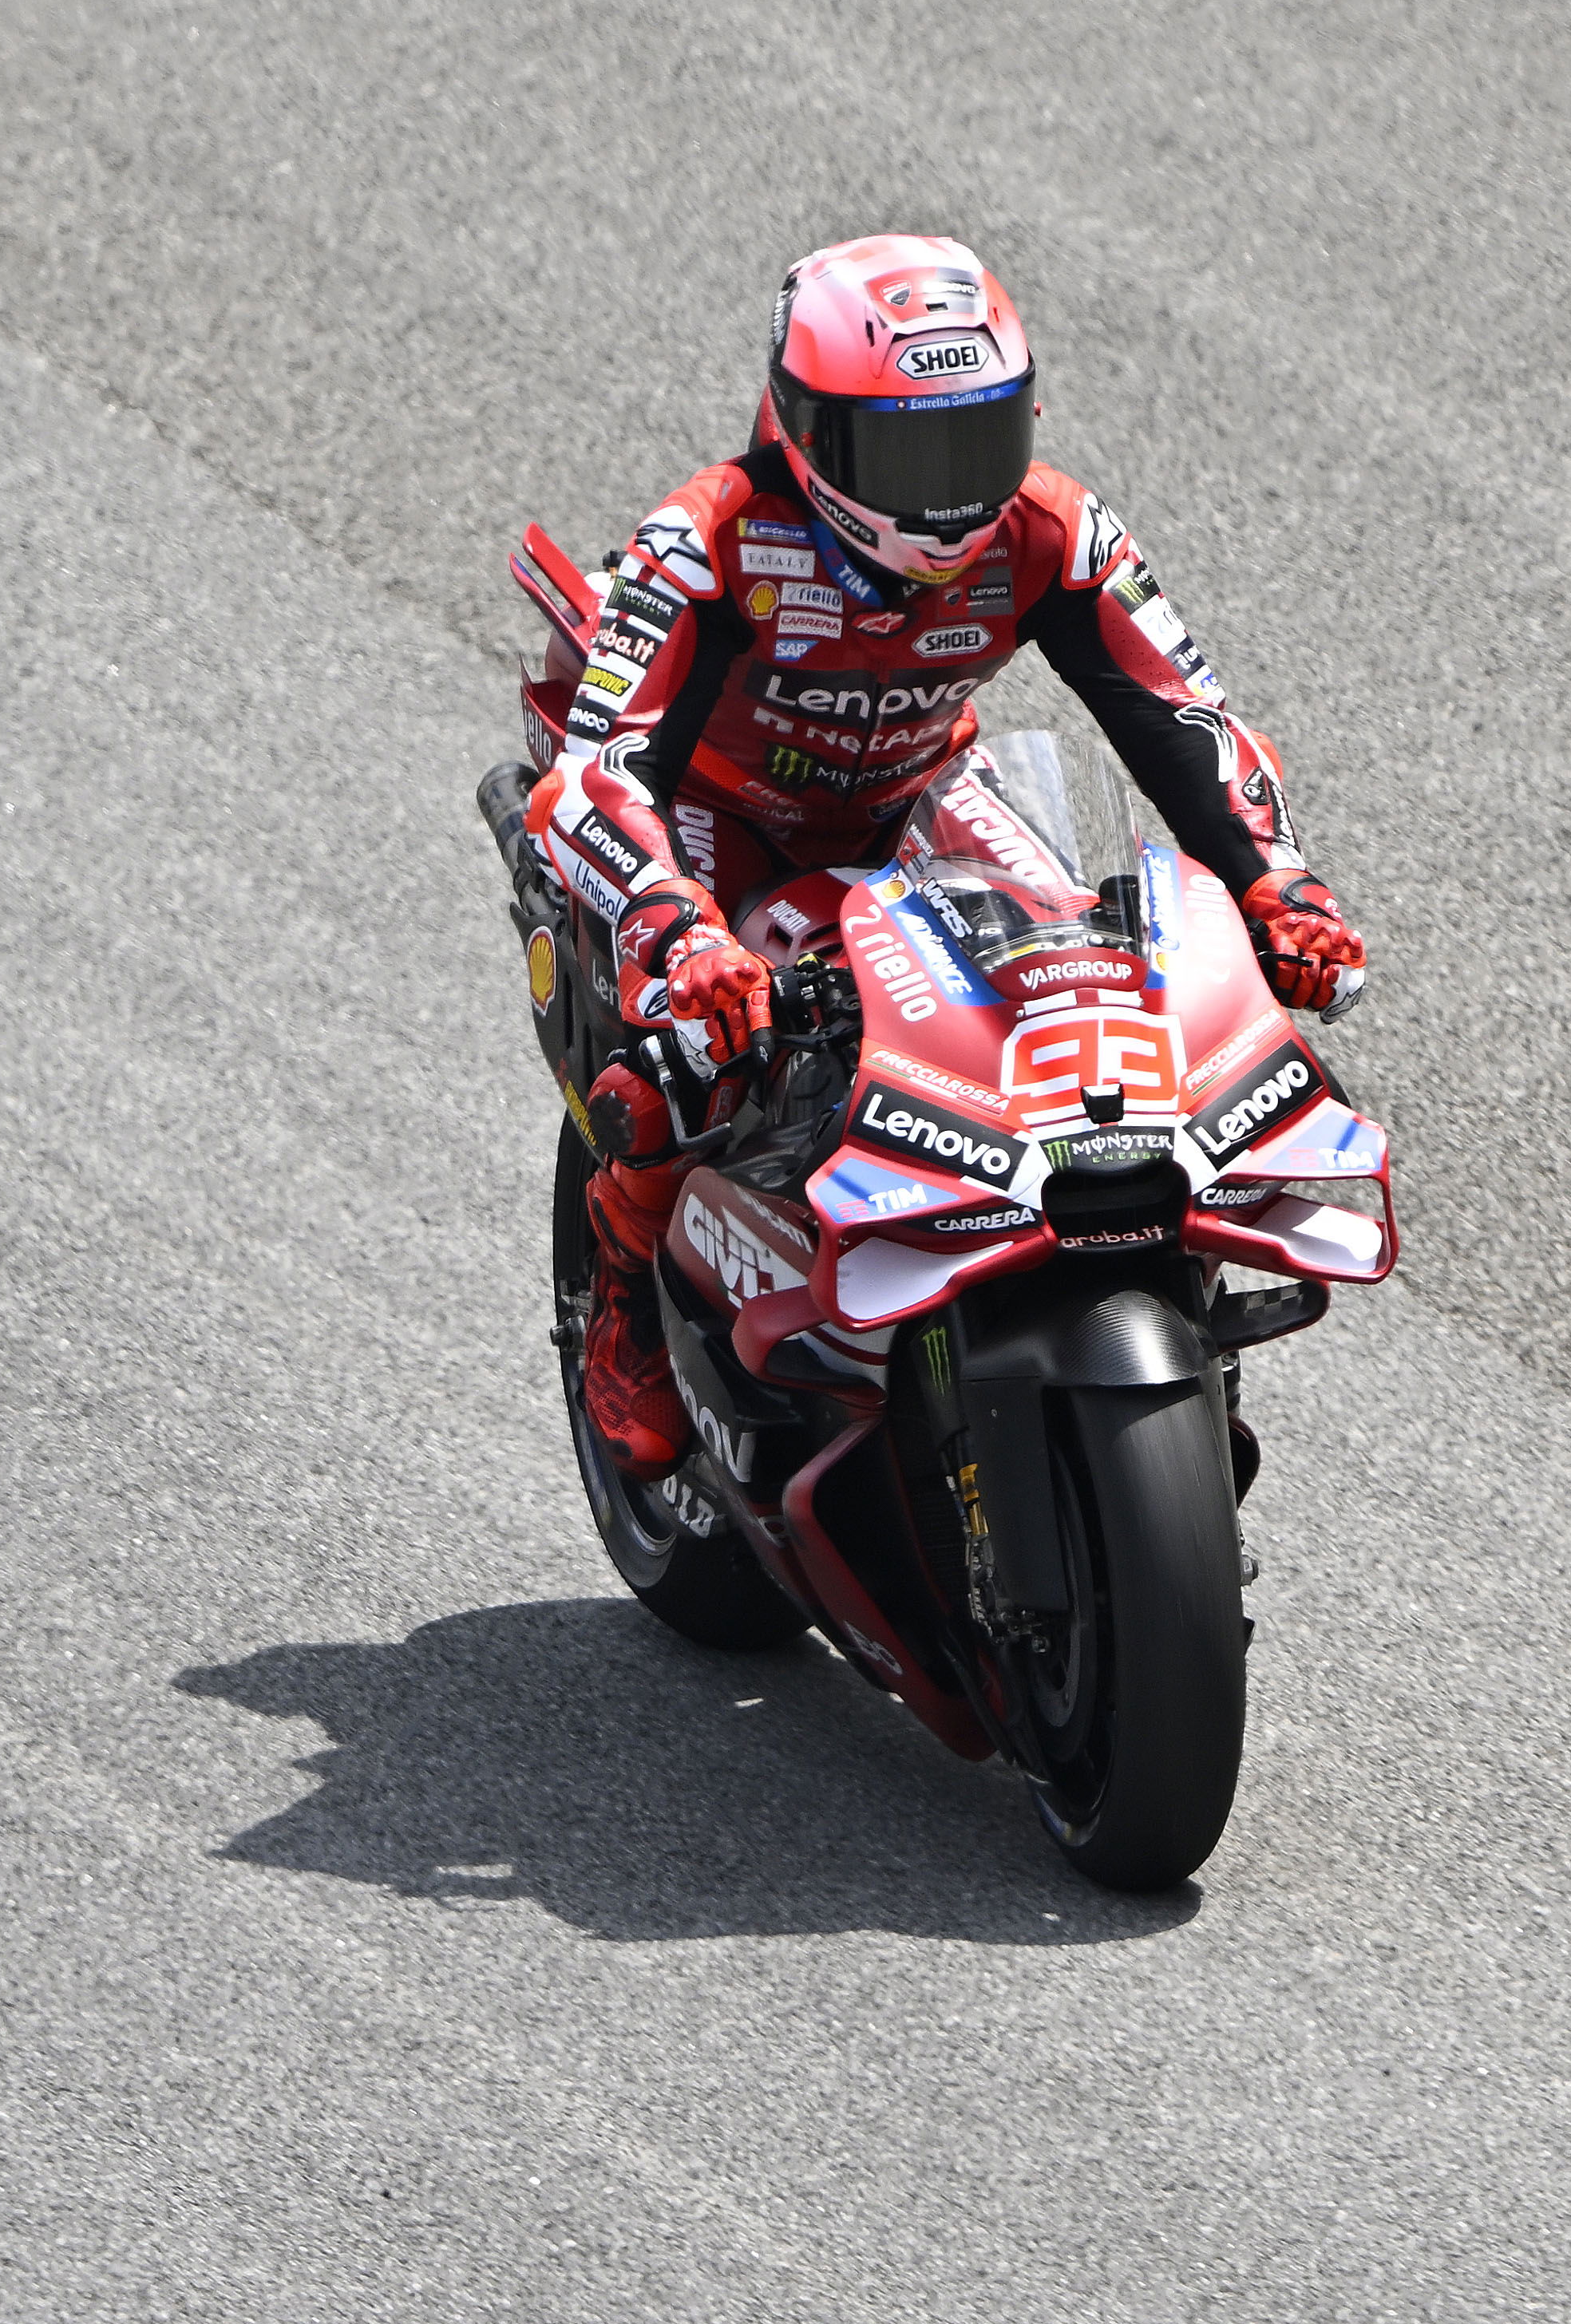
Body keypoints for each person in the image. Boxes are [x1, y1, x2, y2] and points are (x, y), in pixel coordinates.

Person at [526, 235, 1365, 1476]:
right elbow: (594, 774)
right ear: (805, 431)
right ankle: (622, 1311)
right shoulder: (704, 538)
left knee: (1095, 976)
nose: (949, 496)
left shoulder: (1056, 530)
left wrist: (1275, 886)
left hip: (919, 788)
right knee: (689, 1052)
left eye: (977, 445)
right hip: (723, 820)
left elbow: (1187, 718)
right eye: (908, 455)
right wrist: (670, 922)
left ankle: (1161, 1304)